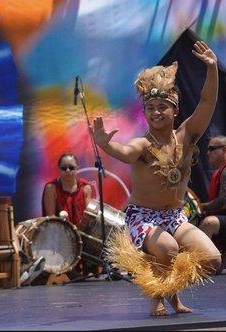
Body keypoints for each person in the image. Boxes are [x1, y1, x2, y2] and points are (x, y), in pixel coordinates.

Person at [90, 41, 221, 316]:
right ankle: (158, 299)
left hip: (175, 216)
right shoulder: (142, 144)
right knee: (169, 248)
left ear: (175, 110)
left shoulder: (187, 135)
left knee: (212, 259)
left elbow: (208, 101)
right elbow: (124, 153)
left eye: (163, 106)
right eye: (151, 108)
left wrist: (211, 69)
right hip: (143, 217)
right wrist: (105, 145)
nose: (156, 112)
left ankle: (167, 286)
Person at [199, 135, 226, 273]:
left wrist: (201, 206)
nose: (207, 153)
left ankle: (205, 266)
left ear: (224, 150)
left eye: (212, 149)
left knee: (209, 223)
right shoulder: (219, 171)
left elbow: (223, 202)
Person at [42, 153, 93, 227]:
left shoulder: (85, 187)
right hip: (59, 231)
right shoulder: (51, 187)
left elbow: (89, 216)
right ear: (59, 168)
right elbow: (51, 217)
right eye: (64, 168)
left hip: (82, 232)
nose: (68, 170)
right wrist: (70, 230)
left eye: (71, 168)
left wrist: (79, 229)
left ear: (77, 168)